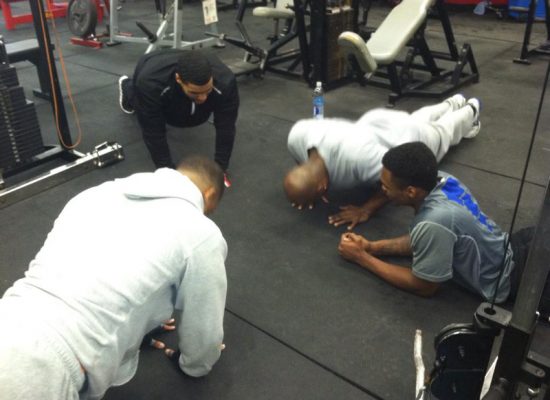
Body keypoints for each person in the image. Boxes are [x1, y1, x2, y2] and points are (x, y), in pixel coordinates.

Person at [0, 156, 228, 400]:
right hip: (44, 366)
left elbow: (101, 265)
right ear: (210, 194)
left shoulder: (95, 194)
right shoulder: (201, 233)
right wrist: (195, 365)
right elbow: (205, 326)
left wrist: (137, 326)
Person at [337, 141, 536, 303]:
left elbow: (424, 286)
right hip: (517, 244)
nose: (383, 190)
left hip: (520, 278)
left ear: (411, 192)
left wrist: (361, 258)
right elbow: (427, 240)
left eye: (386, 187)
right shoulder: (444, 181)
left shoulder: (434, 221)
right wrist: (372, 247)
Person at [283, 94, 481, 229]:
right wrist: (306, 192)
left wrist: (365, 209)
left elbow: (393, 182)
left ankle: (471, 108)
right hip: (378, 122)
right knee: (417, 120)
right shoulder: (295, 137)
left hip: (405, 138)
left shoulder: (359, 158)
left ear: (322, 187)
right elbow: (303, 169)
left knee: (442, 133)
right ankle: (453, 102)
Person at [118, 49, 239, 184]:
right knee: (145, 104)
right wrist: (167, 171)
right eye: (195, 92)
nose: (203, 98)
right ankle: (126, 85)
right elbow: (153, 132)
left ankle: (198, 93)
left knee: (193, 114)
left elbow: (226, 126)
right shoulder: (150, 83)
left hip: (184, 71)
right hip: (153, 67)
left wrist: (220, 167)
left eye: (207, 91)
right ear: (178, 79)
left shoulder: (225, 80)